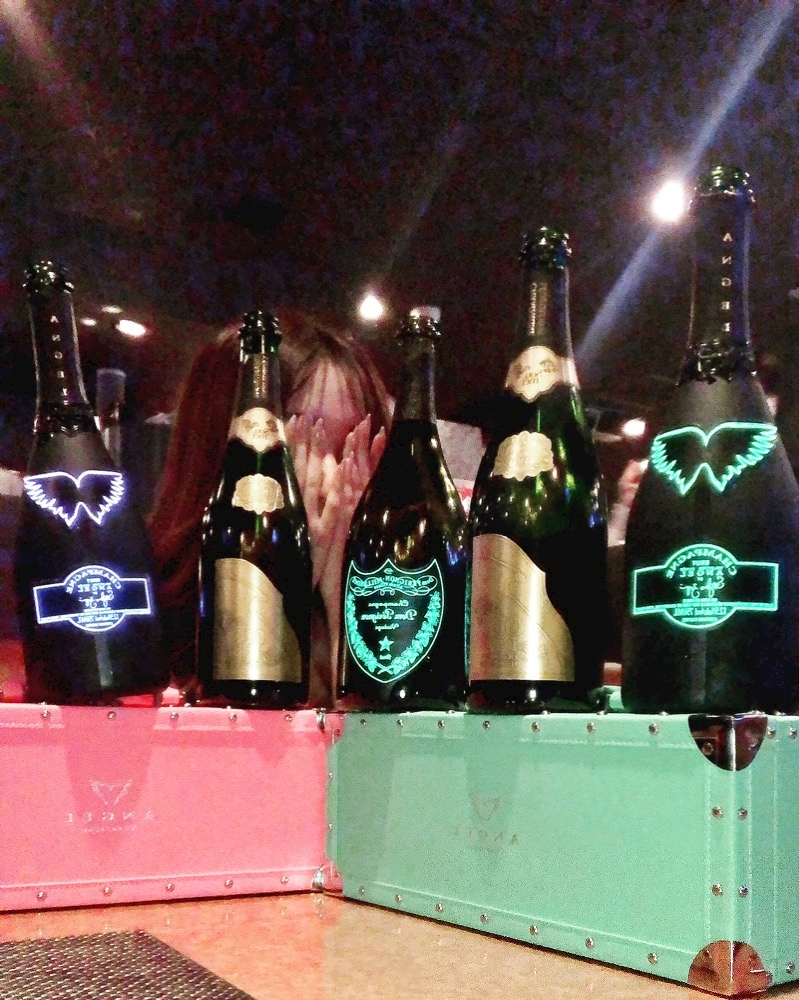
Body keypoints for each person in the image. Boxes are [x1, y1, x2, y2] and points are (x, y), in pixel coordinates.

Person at [147, 307, 392, 707]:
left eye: (353, 445)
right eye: (305, 440)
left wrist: (345, 597)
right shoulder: (150, 609)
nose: (331, 478)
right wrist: (288, 580)